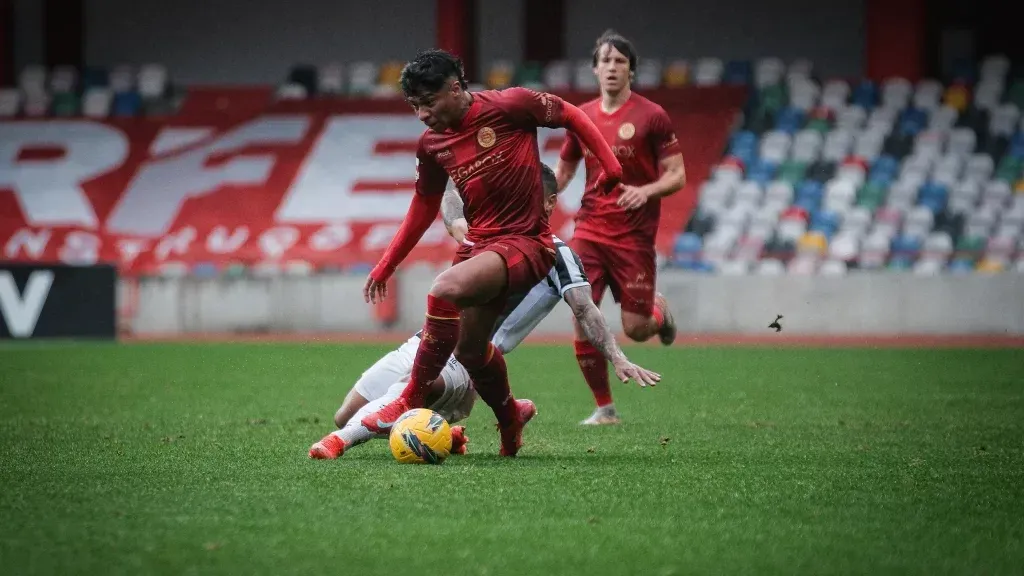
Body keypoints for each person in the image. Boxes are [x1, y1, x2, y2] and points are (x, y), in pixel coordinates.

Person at [359, 49, 624, 457]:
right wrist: (386, 264)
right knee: (470, 351)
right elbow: (422, 208)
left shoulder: (510, 105)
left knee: (445, 288)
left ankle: (409, 398)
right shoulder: (432, 144)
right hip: (480, 247)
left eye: (428, 104)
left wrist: (610, 166)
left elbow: (571, 114)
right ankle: (510, 418)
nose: (422, 115)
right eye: (414, 107)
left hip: (527, 242)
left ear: (455, 88)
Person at [309, 165, 659, 459]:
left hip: (467, 359)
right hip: (426, 340)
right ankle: (441, 433)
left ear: (550, 203)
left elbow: (585, 309)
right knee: (346, 415)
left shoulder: (556, 253)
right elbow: (452, 212)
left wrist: (618, 357)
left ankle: (337, 443)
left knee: (399, 397)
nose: (515, 200)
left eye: (525, 195)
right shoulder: (485, 234)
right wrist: (453, 167)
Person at [555, 31, 687, 426]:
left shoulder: (652, 116)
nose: (612, 68)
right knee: (581, 311)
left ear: (631, 69)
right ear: (594, 69)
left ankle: (659, 314)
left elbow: (677, 175)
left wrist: (645, 191)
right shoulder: (580, 117)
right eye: (605, 61)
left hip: (634, 237)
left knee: (637, 328)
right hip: (590, 230)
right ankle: (605, 408)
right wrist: (541, 194)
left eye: (620, 62)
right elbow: (564, 171)